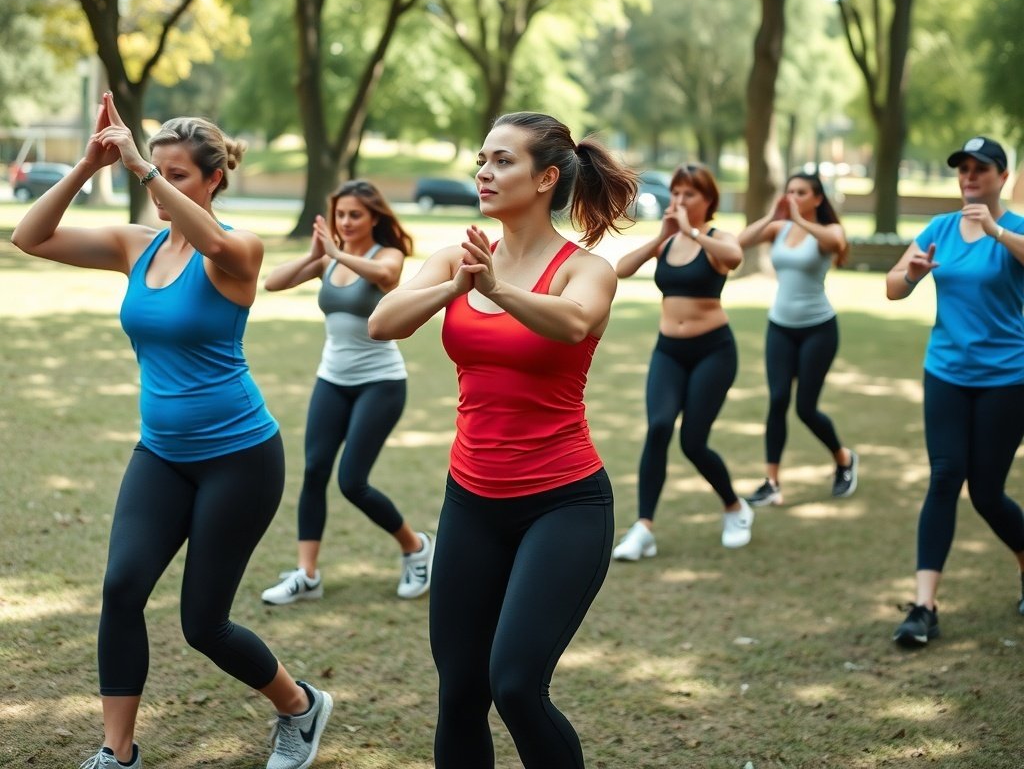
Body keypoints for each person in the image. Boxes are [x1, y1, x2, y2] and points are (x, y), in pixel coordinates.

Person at [11, 94, 332, 769]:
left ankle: (300, 706)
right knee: (122, 588)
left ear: (214, 178)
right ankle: (116, 751)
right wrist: (86, 164)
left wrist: (141, 168)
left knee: (203, 626)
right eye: (153, 173)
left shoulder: (238, 249)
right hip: (160, 454)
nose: (158, 187)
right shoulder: (138, 245)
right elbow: (28, 237)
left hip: (240, 458)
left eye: (178, 174)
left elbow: (213, 240)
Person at [368, 111, 636, 769]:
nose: (484, 173)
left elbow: (573, 325)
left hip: (564, 504)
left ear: (547, 178)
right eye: (481, 160)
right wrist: (455, 286)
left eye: (502, 161)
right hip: (472, 502)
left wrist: (496, 287)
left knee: (514, 685)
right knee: (460, 692)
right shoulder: (456, 257)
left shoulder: (586, 269)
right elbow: (383, 321)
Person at [258, 179, 434, 604]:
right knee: (315, 470)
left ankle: (416, 547)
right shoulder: (328, 260)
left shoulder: (385, 254)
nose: (347, 222)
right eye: (341, 214)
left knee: (352, 481)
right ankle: (307, 574)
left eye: (356, 214)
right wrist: (316, 255)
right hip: (332, 379)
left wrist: (339, 254)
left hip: (381, 383)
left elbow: (389, 276)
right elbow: (272, 284)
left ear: (375, 217)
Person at [886, 135, 1024, 648]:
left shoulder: (1014, 227)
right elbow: (892, 284)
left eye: (980, 169)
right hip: (945, 372)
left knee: (987, 492)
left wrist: (994, 230)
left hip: (1007, 379)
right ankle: (924, 606)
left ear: (1002, 177)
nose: (969, 176)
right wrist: (913, 274)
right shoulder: (940, 228)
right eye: (963, 168)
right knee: (945, 476)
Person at [612, 162, 753, 560]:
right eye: (676, 193)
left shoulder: (715, 237)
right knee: (658, 427)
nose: (679, 200)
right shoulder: (667, 241)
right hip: (668, 351)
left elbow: (735, 256)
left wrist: (692, 232)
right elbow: (621, 270)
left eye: (688, 194)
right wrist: (661, 236)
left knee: (693, 441)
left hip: (713, 351)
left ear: (707, 199)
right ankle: (643, 529)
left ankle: (734, 507)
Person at [736, 171, 857, 507]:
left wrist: (798, 219)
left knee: (805, 407)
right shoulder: (781, 227)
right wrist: (771, 218)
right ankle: (772, 482)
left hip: (818, 329)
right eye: (789, 191)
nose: (793, 197)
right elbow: (739, 242)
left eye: (801, 192)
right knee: (777, 400)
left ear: (817, 198)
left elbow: (835, 244)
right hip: (780, 327)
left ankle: (844, 458)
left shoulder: (826, 230)